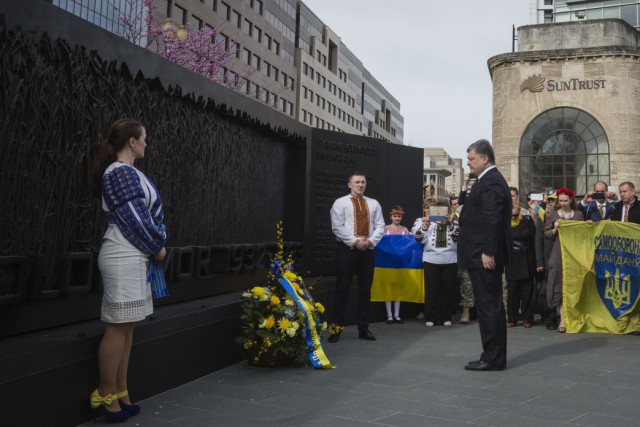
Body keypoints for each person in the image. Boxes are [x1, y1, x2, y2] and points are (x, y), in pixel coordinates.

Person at [89, 119, 167, 423]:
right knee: (118, 325)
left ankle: (121, 393)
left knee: (128, 325)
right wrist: (157, 245)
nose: (147, 143)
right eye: (144, 138)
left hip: (132, 254)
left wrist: (153, 245)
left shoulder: (126, 172)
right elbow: (134, 215)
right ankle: (106, 396)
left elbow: (139, 213)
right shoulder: (118, 172)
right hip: (123, 253)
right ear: (132, 142)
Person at [458, 139, 512, 371]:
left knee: (489, 306)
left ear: (484, 158)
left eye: (471, 159)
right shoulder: (487, 180)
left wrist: (488, 252)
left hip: (484, 255)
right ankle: (490, 354)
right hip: (480, 253)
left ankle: (493, 358)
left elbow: (492, 219)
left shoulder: (491, 182)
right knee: (489, 305)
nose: (468, 163)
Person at [328, 172, 385, 343]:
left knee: (365, 290)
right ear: (349, 184)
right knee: (342, 290)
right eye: (357, 182)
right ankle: (336, 329)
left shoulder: (373, 203)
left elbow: (380, 226)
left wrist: (370, 242)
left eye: (363, 182)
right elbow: (337, 227)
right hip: (347, 250)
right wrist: (354, 241)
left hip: (367, 250)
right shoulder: (340, 203)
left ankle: (363, 329)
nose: (360, 185)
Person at [543, 188, 584, 333]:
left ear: (571, 200)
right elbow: (546, 234)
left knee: (572, 284)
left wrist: (588, 225)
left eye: (566, 200)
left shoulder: (578, 214)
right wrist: (554, 228)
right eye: (560, 201)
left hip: (573, 253)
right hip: (558, 252)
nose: (563, 203)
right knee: (558, 284)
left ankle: (573, 317)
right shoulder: (552, 214)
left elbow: (583, 234)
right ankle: (562, 319)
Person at [414, 199, 458, 327]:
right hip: (431, 260)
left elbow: (458, 237)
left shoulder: (454, 222)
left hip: (450, 260)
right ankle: (431, 316)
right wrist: (424, 227)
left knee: (448, 290)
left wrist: (449, 225)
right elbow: (418, 240)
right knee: (431, 290)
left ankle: (445, 316)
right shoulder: (428, 223)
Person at [505, 201, 536, 328]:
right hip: (511, 261)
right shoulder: (504, 224)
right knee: (512, 292)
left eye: (516, 215)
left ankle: (527, 318)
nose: (514, 217)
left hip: (527, 260)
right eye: (512, 215)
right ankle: (512, 318)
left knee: (527, 290)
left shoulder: (527, 221)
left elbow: (534, 238)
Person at [383, 205, 411, 324]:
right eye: (395, 216)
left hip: (400, 263)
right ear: (391, 217)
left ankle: (397, 315)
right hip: (388, 263)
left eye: (399, 216)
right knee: (388, 289)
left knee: (398, 288)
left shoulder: (405, 229)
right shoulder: (385, 228)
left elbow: (409, 244)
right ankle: (389, 315)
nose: (397, 218)